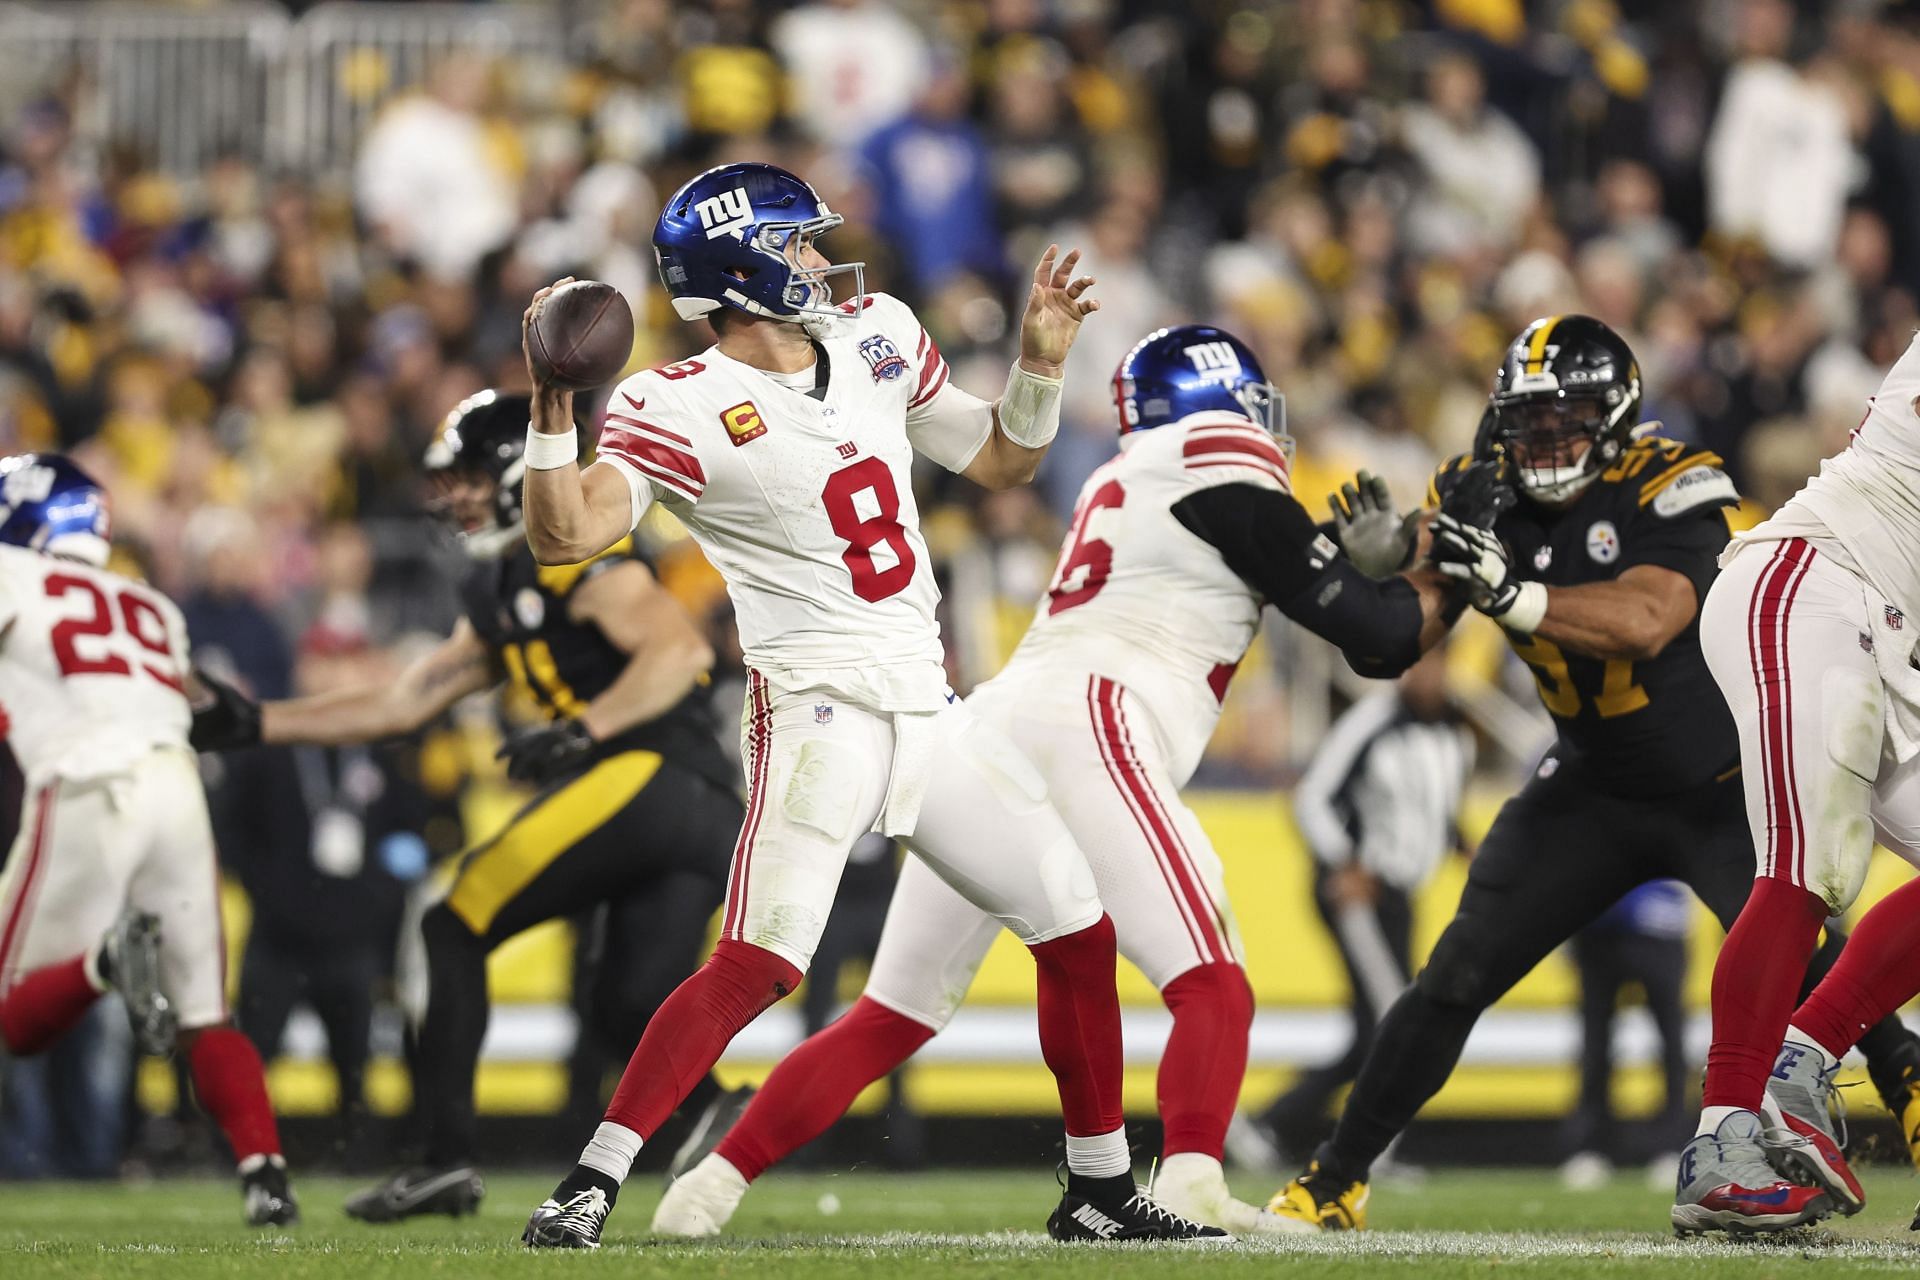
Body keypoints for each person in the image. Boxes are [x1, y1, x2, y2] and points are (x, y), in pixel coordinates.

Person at [513, 161, 1220, 1247]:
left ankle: (1097, 1187)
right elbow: (567, 532)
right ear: (741, 270)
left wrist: (1037, 365)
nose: (815, 258)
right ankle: (592, 1179)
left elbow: (1000, 458)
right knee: (759, 958)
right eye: (794, 243)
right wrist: (555, 406)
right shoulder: (677, 399)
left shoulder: (879, 333)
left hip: (931, 708)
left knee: (1075, 923)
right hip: (816, 711)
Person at [647, 324, 1461, 1236]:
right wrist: (1446, 570)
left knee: (892, 1013)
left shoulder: (1128, 476)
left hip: (994, 723)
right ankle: (1190, 1180)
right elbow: (1379, 637)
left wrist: (1356, 563)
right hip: (1098, 721)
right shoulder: (1223, 465)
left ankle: (705, 1190)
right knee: (1210, 978)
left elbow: (1271, 562)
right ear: (1221, 404)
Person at [1263, 315, 1920, 1230]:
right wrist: (1364, 575)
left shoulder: (1671, 480)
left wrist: (1512, 594)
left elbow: (1651, 617)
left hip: (1716, 783)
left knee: (1809, 941)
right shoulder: (1480, 491)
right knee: (1455, 973)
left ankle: (1906, 1118)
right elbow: (1394, 643)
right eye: (1529, 420)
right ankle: (1335, 1179)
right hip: (1587, 784)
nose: (1545, 441)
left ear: (1616, 418)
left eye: (1566, 419)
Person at [188, 391, 742, 1223]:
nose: (454, 497)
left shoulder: (573, 556)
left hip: (657, 777)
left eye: (471, 479)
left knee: (453, 920)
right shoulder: (500, 580)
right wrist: (261, 722)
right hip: (690, 807)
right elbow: (405, 701)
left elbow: (680, 651)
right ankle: (717, 1111)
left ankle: (445, 1158)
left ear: (521, 471)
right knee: (622, 1004)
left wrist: (582, 731)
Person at [0, 453, 295, 1225]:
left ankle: (104, 961)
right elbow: (202, 701)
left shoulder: (10, 573)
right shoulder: (148, 603)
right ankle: (266, 1176)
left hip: (90, 782)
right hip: (178, 787)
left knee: (12, 1016)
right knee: (206, 1015)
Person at [1670, 332, 1920, 1234]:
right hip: (1810, 584)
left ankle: (1803, 1054)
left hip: (1885, 630)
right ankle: (1722, 1141)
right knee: (1810, 859)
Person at [1260, 645, 1473, 1158]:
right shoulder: (1373, 719)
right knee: (1393, 1018)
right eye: (1419, 661)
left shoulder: (1456, 732)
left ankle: (1272, 1124)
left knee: (1375, 1028)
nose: (1428, 672)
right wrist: (1344, 859)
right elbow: (1311, 797)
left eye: (1437, 660)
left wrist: (1474, 852)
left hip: (1401, 891)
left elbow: (1436, 816)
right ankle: (1369, 1152)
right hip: (1361, 888)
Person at [1559, 880, 1692, 1189]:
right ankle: (1591, 1146)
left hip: (1659, 916)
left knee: (1670, 1042)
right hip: (1596, 921)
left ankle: (1673, 1146)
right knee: (1596, 1042)